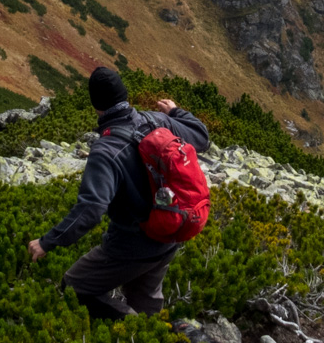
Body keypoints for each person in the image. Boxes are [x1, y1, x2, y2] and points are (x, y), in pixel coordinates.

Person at [27, 66, 211, 319]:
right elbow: (202, 137)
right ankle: (151, 342)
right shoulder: (158, 120)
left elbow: (91, 209)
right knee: (145, 301)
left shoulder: (106, 150)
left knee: (75, 286)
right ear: (125, 96)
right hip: (170, 231)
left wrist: (48, 241)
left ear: (96, 106)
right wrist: (176, 112)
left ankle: (132, 328)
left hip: (131, 245)